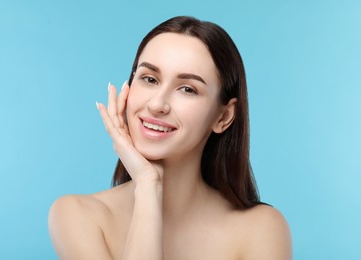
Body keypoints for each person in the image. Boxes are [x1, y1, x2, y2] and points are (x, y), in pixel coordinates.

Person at [48, 16, 292, 259]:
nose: (157, 104)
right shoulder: (77, 215)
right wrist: (147, 185)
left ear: (224, 116)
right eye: (149, 79)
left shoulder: (261, 228)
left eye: (187, 89)